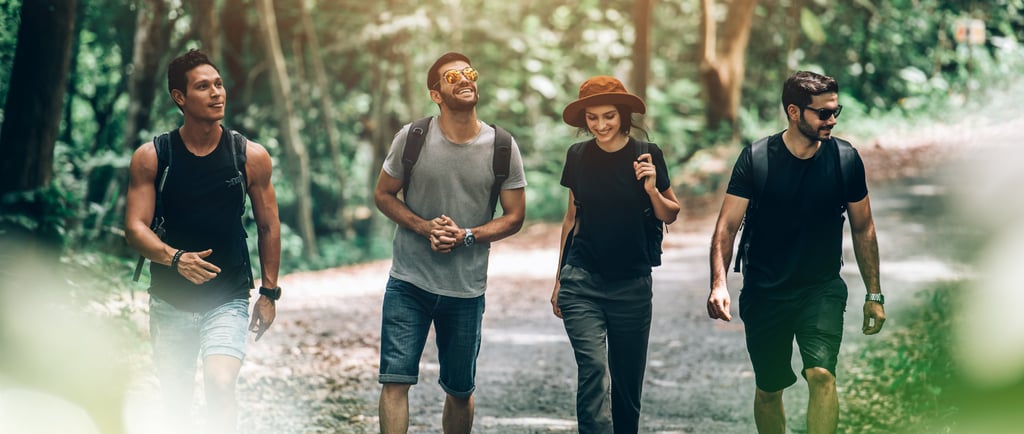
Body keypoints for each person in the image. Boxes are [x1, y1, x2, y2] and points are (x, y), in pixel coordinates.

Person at [706, 70, 886, 434]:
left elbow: (863, 227)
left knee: (822, 375)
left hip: (820, 289)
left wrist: (874, 294)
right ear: (794, 111)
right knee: (770, 389)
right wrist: (719, 283)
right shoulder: (757, 159)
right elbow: (726, 227)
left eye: (836, 111)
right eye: (823, 113)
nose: (832, 120)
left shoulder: (845, 159)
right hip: (765, 292)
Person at [125, 49, 281, 434]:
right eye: (203, 86)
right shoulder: (153, 157)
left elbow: (268, 226)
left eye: (219, 84)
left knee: (221, 382)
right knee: (175, 402)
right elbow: (135, 228)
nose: (216, 93)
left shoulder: (249, 156)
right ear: (179, 97)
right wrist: (175, 258)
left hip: (227, 296)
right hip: (169, 299)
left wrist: (269, 293)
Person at [372, 51, 527, 434]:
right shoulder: (412, 138)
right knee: (395, 380)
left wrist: (467, 235)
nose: (464, 79)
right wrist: (424, 227)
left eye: (468, 72)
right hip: (409, 281)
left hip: (466, 289)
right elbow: (383, 194)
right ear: (436, 94)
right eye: (452, 77)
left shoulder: (502, 146)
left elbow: (514, 216)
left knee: (459, 389)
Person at [551, 76, 681, 433]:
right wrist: (559, 280)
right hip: (582, 280)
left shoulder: (647, 153)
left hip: (632, 285)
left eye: (608, 116)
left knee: (627, 384)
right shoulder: (577, 156)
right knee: (593, 369)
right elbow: (571, 219)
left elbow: (671, 212)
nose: (600, 125)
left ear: (623, 115)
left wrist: (652, 190)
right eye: (592, 118)